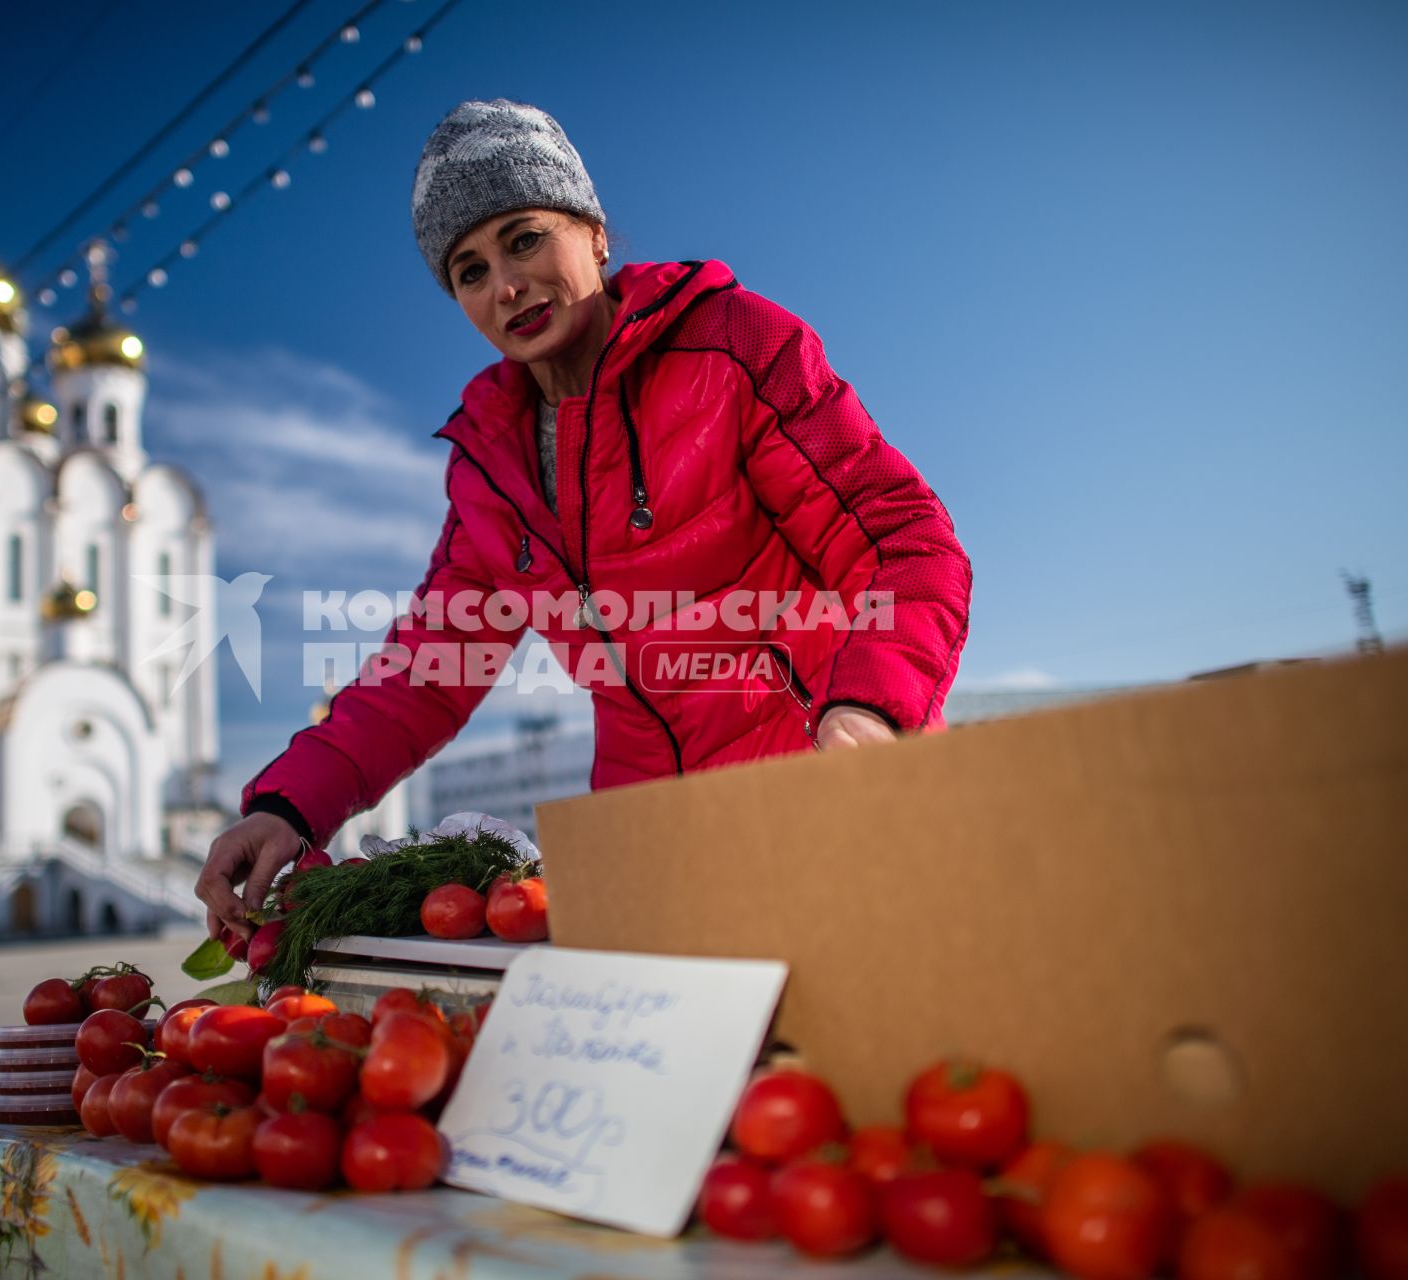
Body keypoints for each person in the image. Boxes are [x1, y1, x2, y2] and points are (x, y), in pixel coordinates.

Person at [197, 99, 971, 942]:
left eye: (524, 238)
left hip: (818, 801)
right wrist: (286, 805)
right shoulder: (489, 465)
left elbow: (907, 544)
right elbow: (426, 669)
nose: (505, 285)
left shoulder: (734, 349)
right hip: (646, 854)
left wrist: (868, 710)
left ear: (594, 234)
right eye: (469, 270)